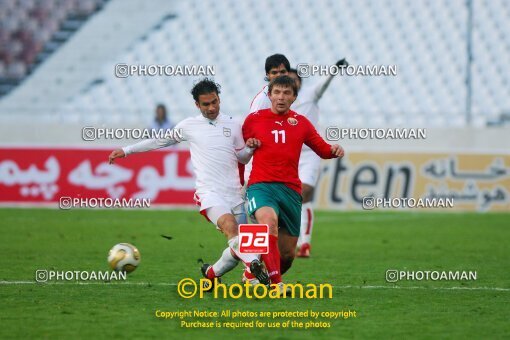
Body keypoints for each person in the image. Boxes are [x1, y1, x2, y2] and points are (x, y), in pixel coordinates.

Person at [108, 79, 268, 286]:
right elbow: (159, 141)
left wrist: (250, 148)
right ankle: (255, 268)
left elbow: (242, 158)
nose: (211, 108)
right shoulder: (188, 126)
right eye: (205, 104)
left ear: (219, 99)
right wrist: (127, 150)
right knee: (231, 229)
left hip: (235, 194)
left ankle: (212, 273)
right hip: (209, 193)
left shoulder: (233, 124)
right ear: (197, 105)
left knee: (238, 249)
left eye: (214, 102)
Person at [242, 75, 344, 289]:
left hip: (289, 190)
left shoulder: (301, 123)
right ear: (269, 95)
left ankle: (256, 276)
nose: (281, 97)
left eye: (287, 93)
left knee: (288, 254)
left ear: (294, 97)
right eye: (277, 92)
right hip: (261, 186)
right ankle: (275, 284)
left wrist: (334, 150)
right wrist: (249, 145)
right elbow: (239, 150)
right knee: (268, 223)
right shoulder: (253, 120)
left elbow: (322, 149)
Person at [287, 58, 348, 257]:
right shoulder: (282, 100)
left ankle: (305, 243)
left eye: (295, 79)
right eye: (288, 79)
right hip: (289, 153)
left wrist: (334, 69)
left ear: (300, 82)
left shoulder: (309, 94)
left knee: (304, 193)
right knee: (294, 198)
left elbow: (324, 84)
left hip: (310, 153)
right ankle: (293, 240)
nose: (292, 82)